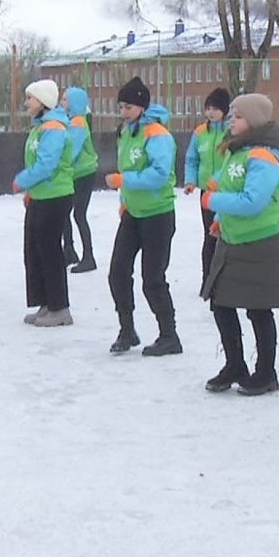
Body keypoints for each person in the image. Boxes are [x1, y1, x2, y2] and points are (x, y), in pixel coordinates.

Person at [200, 93, 279, 395]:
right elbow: (231, 187)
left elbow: (253, 201)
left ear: (254, 121)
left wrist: (213, 201)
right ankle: (235, 364)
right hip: (232, 240)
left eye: (238, 116)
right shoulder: (237, 151)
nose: (231, 120)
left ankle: (266, 373)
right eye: (232, 115)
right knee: (220, 303)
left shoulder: (264, 157)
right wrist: (220, 220)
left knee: (259, 309)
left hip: (260, 242)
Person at [105, 76, 182, 357]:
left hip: (157, 214)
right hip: (133, 214)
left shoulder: (157, 134)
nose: (123, 112)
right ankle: (127, 329)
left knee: (153, 278)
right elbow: (129, 166)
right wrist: (124, 201)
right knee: (117, 272)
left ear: (142, 107)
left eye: (128, 107)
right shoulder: (127, 132)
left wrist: (123, 181)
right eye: (121, 107)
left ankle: (169, 335)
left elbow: (159, 175)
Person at [14, 80, 75, 327]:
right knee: (35, 250)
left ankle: (60, 308)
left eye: (30, 98)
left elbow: (46, 164)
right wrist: (31, 190)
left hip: (55, 195)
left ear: (43, 101)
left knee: (49, 251)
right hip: (41, 195)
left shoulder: (54, 128)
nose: (26, 102)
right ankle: (46, 303)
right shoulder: (40, 127)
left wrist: (23, 180)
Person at [184, 88, 232, 287]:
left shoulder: (231, 132)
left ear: (225, 110)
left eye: (215, 108)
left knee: (226, 234)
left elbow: (233, 160)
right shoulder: (200, 132)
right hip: (207, 193)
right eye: (208, 108)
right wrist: (191, 181)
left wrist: (219, 180)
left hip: (228, 192)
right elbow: (191, 159)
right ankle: (208, 280)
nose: (211, 112)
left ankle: (226, 279)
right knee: (209, 235)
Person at [62, 85, 99, 273]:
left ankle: (88, 256)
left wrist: (59, 165)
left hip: (83, 173)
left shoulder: (77, 122)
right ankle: (69, 251)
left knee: (78, 214)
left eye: (65, 99)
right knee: (66, 213)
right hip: (77, 173)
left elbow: (71, 150)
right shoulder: (72, 121)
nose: (61, 102)